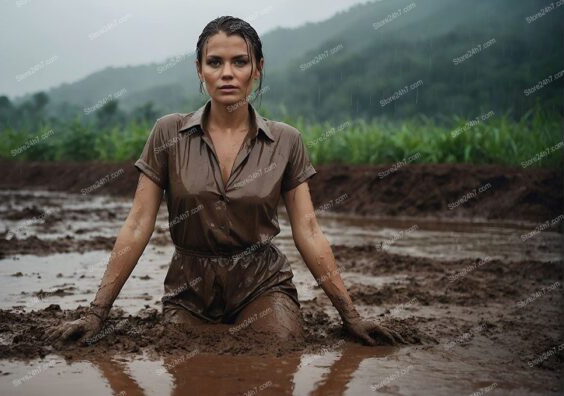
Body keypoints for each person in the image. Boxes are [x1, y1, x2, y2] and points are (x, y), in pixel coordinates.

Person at [45, 16, 405, 346]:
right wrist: (97, 314)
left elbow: (308, 231)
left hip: (262, 286)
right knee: (183, 360)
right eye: (215, 62)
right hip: (189, 292)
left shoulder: (286, 141)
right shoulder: (168, 133)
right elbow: (138, 224)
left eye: (240, 62)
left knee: (277, 351)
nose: (227, 73)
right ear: (199, 70)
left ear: (258, 69)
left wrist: (351, 316)